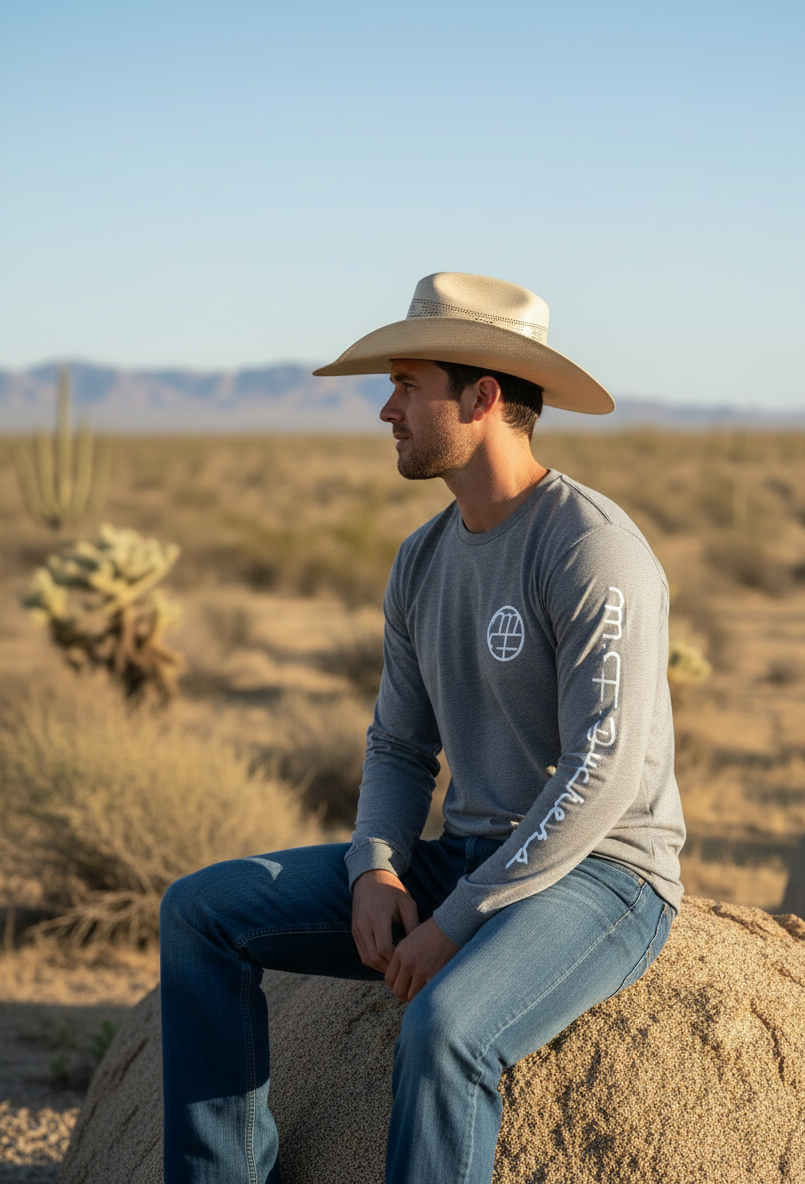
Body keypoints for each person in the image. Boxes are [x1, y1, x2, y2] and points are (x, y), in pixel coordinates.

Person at [159, 271, 686, 1184]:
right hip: (469, 852)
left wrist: (456, 921)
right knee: (200, 913)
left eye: (407, 386)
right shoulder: (424, 558)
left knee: (445, 1030)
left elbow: (600, 771)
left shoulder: (593, 550)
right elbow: (401, 746)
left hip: (605, 875)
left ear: (482, 397)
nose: (386, 411)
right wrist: (377, 866)